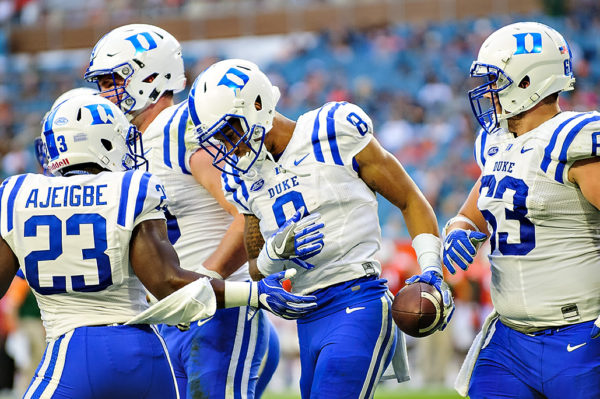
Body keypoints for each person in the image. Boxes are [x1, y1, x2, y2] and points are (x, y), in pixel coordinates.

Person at [0, 94, 317, 399]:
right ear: (105, 141)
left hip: (72, 350)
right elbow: (167, 281)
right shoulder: (131, 188)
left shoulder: (16, 194)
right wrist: (254, 293)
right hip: (144, 353)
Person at [188, 58, 455, 399]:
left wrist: (432, 268)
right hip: (306, 314)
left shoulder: (332, 131)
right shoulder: (243, 179)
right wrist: (273, 254)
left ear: (257, 106)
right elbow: (256, 270)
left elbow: (409, 199)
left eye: (229, 131)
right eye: (220, 139)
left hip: (358, 299)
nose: (229, 147)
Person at [84, 24, 282, 398]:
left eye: (113, 80)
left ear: (151, 77)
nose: (104, 93)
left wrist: (208, 277)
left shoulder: (179, 128)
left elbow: (249, 211)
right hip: (177, 318)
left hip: (216, 314)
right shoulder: (131, 146)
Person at [442, 22, 600, 399]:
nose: (486, 92)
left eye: (496, 80)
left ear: (528, 82)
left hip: (580, 334)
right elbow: (474, 209)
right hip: (508, 341)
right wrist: (460, 229)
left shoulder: (571, 140)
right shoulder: (496, 143)